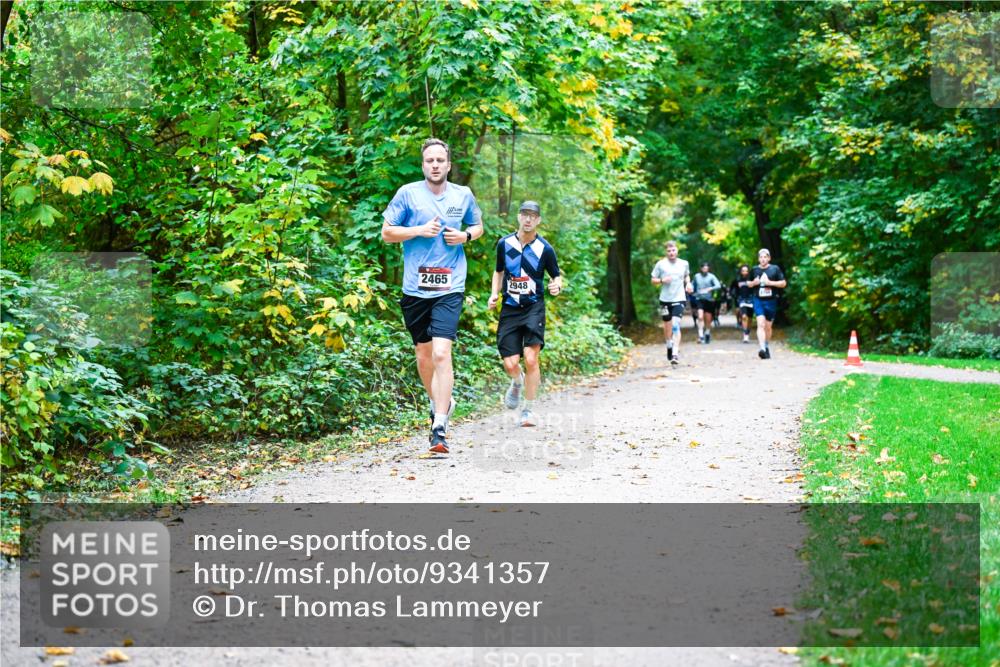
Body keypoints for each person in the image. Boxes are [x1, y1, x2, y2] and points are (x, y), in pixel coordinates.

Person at [381, 137, 484, 454]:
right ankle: (442, 401)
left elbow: (478, 225)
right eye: (430, 161)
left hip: (450, 287)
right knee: (424, 357)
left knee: (441, 353)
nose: (435, 165)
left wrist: (465, 235)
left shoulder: (462, 195)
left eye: (441, 160)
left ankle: (438, 427)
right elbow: (387, 233)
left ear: (449, 165)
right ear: (423, 164)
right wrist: (418, 230)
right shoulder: (408, 194)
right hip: (415, 289)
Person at [488, 201, 562, 427]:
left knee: (531, 359)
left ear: (538, 220)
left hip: (533, 308)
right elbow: (498, 271)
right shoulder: (504, 243)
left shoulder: (545, 249)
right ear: (519, 217)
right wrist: (494, 294)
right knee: (510, 364)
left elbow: (556, 275)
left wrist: (556, 286)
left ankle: (528, 410)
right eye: (525, 215)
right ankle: (517, 382)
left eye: (533, 216)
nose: (528, 219)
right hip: (510, 309)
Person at [650, 241, 693, 365]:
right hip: (665, 300)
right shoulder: (661, 264)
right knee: (667, 324)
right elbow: (653, 280)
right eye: (669, 251)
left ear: (677, 251)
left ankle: (675, 353)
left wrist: (688, 283)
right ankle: (669, 344)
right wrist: (662, 280)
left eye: (673, 250)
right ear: (666, 252)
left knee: (675, 324)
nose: (671, 253)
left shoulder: (684, 263)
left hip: (679, 298)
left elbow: (687, 276)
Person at [750, 248, 787, 359]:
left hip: (771, 300)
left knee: (768, 327)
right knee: (760, 323)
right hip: (758, 300)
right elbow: (747, 283)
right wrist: (753, 283)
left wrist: (770, 283)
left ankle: (766, 346)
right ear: (758, 259)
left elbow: (783, 283)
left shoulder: (775, 269)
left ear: (769, 258)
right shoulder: (754, 270)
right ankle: (761, 348)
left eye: (765, 257)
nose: (763, 259)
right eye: (761, 257)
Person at [692, 262, 722, 344]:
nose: (705, 269)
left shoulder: (711, 276)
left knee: (708, 319)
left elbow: (718, 285)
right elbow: (692, 285)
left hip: (709, 300)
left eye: (706, 268)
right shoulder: (696, 276)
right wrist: (691, 290)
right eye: (703, 268)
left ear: (708, 269)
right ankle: (701, 335)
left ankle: (707, 332)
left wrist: (710, 288)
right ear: (701, 269)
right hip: (699, 299)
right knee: (700, 316)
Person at [730, 264, 755, 343]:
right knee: (744, 316)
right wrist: (734, 295)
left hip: (751, 299)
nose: (745, 272)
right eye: (743, 271)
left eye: (746, 271)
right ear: (740, 271)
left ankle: (748, 331)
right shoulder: (737, 280)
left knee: (750, 318)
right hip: (742, 299)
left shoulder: (752, 279)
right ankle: (745, 335)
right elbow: (731, 288)